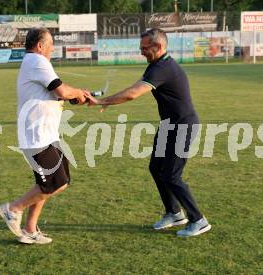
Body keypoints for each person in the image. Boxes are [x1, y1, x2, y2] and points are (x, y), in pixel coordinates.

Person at [90, 28, 211, 237]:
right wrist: (110, 101)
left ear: (159, 46)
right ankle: (174, 213)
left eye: (145, 48)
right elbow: (134, 88)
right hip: (168, 126)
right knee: (156, 168)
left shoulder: (163, 68)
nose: (142, 52)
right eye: (141, 48)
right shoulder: (155, 65)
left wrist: (103, 101)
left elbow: (134, 93)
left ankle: (198, 220)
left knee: (172, 175)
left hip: (183, 126)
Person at [0, 27, 95, 244]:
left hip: (46, 135)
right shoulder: (37, 61)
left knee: (51, 183)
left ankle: (30, 229)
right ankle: (13, 208)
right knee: (56, 183)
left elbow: (54, 92)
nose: (53, 48)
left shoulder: (35, 62)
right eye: (50, 44)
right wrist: (77, 93)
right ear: (40, 45)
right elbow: (61, 90)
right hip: (37, 136)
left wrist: (75, 96)